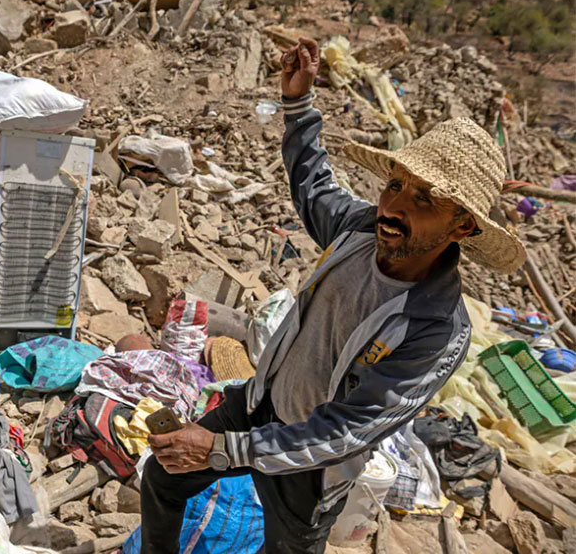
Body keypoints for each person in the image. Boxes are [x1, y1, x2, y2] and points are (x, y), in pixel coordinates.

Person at [139, 37, 526, 553]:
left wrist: (224, 450)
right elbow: (314, 184)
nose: (393, 206)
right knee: (163, 480)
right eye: (395, 185)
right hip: (258, 406)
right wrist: (298, 105)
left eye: (423, 199)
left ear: (461, 227)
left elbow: (348, 430)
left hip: (311, 464)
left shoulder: (436, 328)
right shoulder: (360, 230)